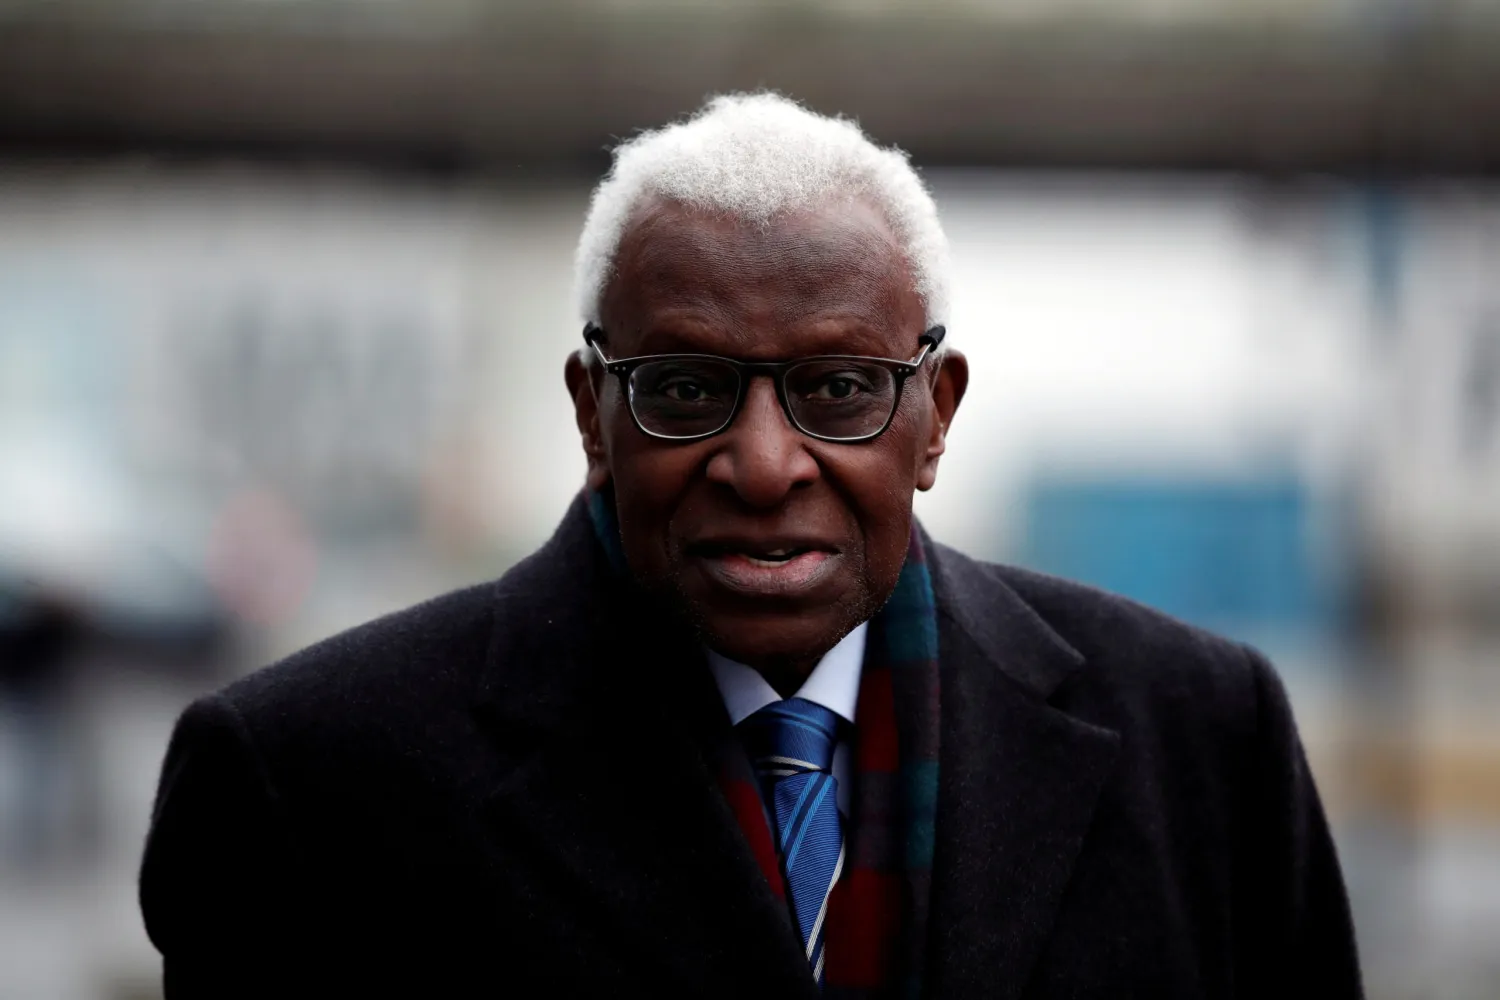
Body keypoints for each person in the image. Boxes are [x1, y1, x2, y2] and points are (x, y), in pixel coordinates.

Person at [138, 93, 1363, 998]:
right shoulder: (303, 780)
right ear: (591, 415)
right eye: (683, 388)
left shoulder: (1205, 739)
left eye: (838, 388)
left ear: (934, 419)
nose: (764, 464)